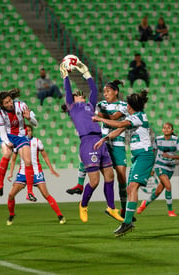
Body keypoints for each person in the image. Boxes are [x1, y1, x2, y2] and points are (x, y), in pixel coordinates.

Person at [59, 58, 123, 223]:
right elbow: (68, 91)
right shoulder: (72, 107)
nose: (79, 94)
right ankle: (83, 204)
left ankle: (111, 207)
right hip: (87, 142)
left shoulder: (89, 105)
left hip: (100, 140)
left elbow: (93, 90)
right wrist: (65, 75)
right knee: (94, 181)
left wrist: (85, 71)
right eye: (76, 94)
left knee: (110, 176)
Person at [93, 89, 154, 237]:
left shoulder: (138, 117)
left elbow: (117, 124)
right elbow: (118, 129)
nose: (126, 106)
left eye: (127, 104)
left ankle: (127, 222)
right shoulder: (133, 116)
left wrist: (100, 119)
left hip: (144, 155)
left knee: (132, 187)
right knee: (129, 189)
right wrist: (104, 139)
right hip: (138, 156)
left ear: (131, 106)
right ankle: (128, 221)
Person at [6, 125, 65, 225]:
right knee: (11, 195)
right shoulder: (18, 142)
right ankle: (11, 214)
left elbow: (45, 156)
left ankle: (60, 215)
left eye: (30, 130)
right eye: (26, 130)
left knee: (46, 195)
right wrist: (11, 172)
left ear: (32, 132)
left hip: (36, 172)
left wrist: (51, 169)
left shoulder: (37, 141)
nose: (28, 132)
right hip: (23, 173)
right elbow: (13, 159)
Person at [0, 88, 38, 202]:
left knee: (28, 161)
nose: (10, 104)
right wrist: (8, 143)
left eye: (10, 100)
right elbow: (2, 133)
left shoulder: (21, 105)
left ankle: (30, 192)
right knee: (7, 153)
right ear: (2, 105)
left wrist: (29, 118)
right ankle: (0, 185)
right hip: (7, 136)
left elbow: (35, 123)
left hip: (21, 136)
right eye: (6, 103)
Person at [137, 122, 179, 216]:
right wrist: (151, 168)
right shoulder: (158, 139)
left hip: (170, 168)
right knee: (168, 186)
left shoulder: (176, 140)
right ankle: (170, 211)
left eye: (168, 128)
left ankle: (144, 204)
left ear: (172, 130)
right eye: (164, 128)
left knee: (158, 191)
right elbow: (153, 154)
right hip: (160, 165)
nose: (166, 129)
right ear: (162, 130)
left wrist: (170, 157)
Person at [97, 80, 129, 216]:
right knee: (108, 177)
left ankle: (124, 208)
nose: (105, 94)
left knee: (122, 177)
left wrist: (100, 116)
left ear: (116, 92)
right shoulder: (100, 104)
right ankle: (110, 206)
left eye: (108, 91)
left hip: (118, 144)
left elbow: (114, 118)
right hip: (104, 144)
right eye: (104, 92)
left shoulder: (123, 105)